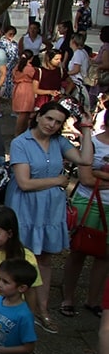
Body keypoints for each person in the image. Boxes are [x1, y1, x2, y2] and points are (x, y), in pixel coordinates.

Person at [5, 100, 94, 333]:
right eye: (49, 118)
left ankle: (41, 310)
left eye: (58, 122)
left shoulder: (59, 142)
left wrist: (86, 128)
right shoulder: (20, 142)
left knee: (45, 259)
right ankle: (19, 310)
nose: (52, 125)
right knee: (24, 257)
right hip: (26, 206)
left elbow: (85, 160)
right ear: (38, 116)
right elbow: (24, 183)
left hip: (50, 208)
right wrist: (57, 180)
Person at [60, 118, 109, 317]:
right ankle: (68, 297)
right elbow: (86, 179)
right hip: (89, 202)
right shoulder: (94, 144)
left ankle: (93, 300)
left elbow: (91, 177)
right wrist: (94, 176)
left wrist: (100, 175)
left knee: (105, 256)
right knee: (79, 250)